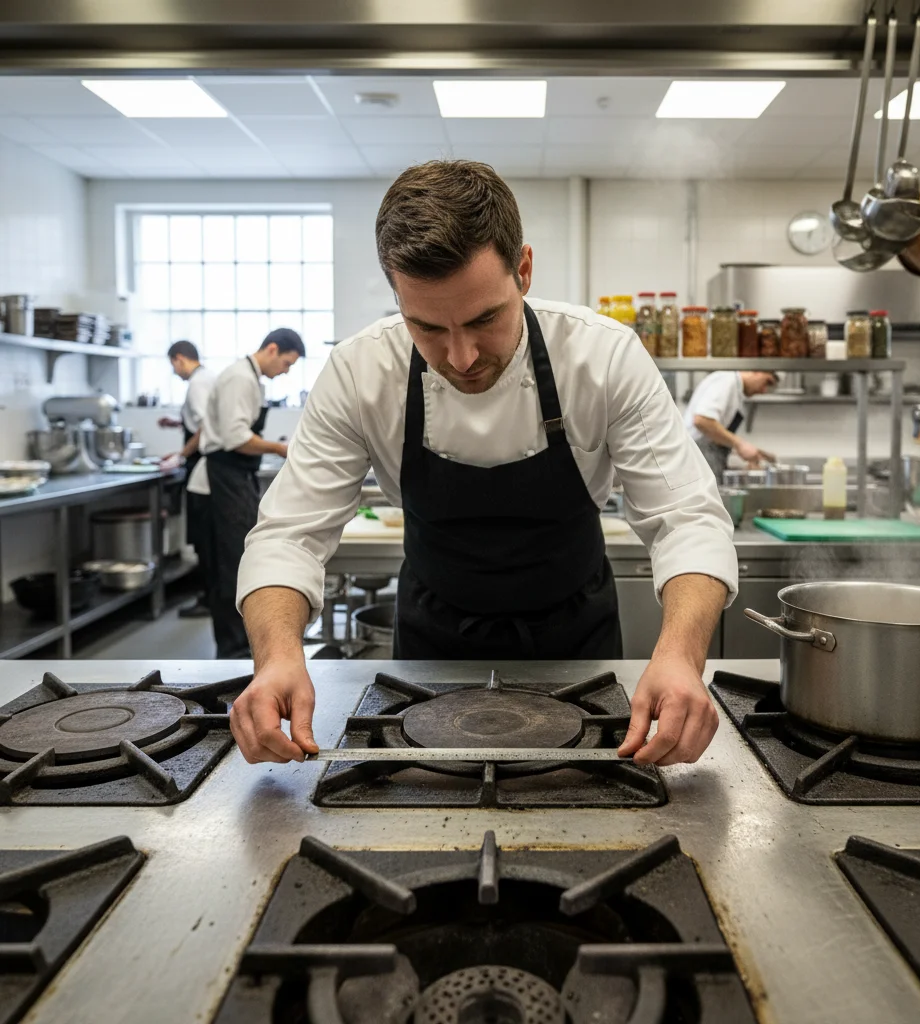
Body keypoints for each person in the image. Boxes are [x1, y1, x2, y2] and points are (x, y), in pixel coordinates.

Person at [230, 160, 738, 769]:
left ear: (523, 270)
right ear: (396, 296)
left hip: (579, 641)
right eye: (426, 327)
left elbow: (687, 518)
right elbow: (290, 533)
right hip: (428, 648)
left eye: (484, 319)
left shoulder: (603, 358)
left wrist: (681, 657)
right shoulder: (359, 371)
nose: (461, 356)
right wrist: (279, 655)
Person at [187, 328, 304, 659]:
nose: (285, 370)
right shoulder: (240, 378)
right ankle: (232, 652)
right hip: (220, 481)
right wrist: (281, 448)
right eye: (286, 362)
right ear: (270, 349)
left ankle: (241, 646)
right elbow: (237, 438)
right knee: (230, 569)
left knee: (239, 563)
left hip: (235, 478)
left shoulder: (252, 379)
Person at [158, 340, 215, 617]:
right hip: (203, 464)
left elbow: (206, 428)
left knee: (204, 538)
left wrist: (180, 456)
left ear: (179, 359)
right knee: (206, 537)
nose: (175, 371)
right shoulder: (207, 379)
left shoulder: (197, 384)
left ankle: (208, 598)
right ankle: (210, 595)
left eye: (173, 364)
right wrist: (178, 422)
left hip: (202, 467)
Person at [683, 370, 778, 482]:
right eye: (767, 382)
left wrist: (744, 450)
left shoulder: (736, 390)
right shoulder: (726, 381)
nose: (764, 390)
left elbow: (714, 435)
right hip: (697, 465)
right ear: (755, 370)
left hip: (706, 464)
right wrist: (739, 444)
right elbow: (702, 420)